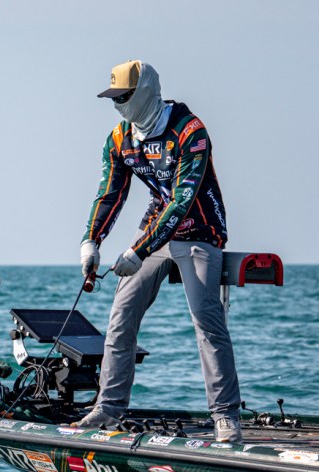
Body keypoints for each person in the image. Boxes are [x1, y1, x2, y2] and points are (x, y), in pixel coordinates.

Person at [76, 59, 242, 443]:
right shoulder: (120, 139)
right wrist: (91, 241)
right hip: (154, 232)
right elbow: (109, 194)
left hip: (199, 229)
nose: (118, 104)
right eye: (114, 97)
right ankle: (108, 408)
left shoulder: (190, 131)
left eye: (124, 96)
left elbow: (182, 202)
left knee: (206, 320)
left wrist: (138, 251)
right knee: (121, 314)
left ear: (146, 92)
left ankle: (225, 416)